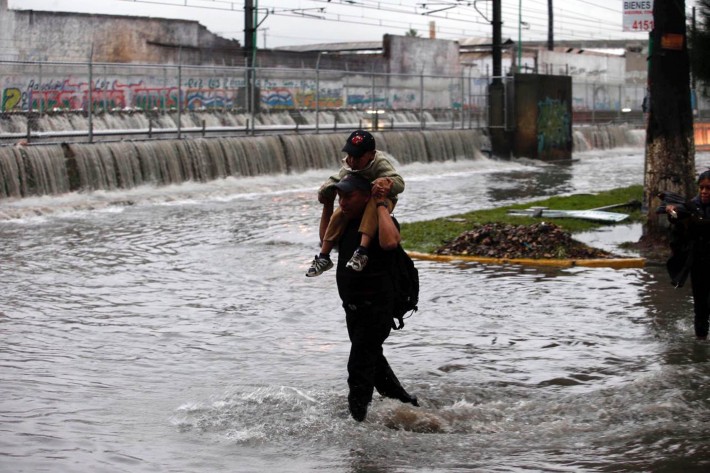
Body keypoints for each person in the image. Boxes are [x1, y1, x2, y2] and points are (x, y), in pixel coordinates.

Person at [328, 172, 418, 421]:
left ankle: (356, 426)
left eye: (348, 197)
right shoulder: (345, 222)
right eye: (339, 197)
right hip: (353, 309)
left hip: (376, 308)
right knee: (373, 362)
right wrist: (327, 203)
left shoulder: (380, 222)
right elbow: (325, 236)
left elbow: (390, 242)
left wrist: (380, 204)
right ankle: (406, 404)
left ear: (366, 196)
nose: (342, 203)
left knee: (358, 367)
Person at [305, 129, 405, 277]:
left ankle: (362, 250)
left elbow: (399, 183)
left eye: (357, 157)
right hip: (351, 294)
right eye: (350, 156)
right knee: (339, 212)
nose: (352, 161)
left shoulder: (379, 163)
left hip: (382, 199)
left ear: (371, 155)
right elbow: (336, 178)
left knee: (374, 203)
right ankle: (324, 256)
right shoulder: (349, 166)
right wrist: (326, 194)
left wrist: (385, 184)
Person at [663, 170, 710, 341]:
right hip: (699, 261)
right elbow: (678, 219)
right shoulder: (692, 205)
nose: (704, 191)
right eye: (702, 188)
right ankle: (701, 342)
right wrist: (672, 213)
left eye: (708, 188)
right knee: (700, 304)